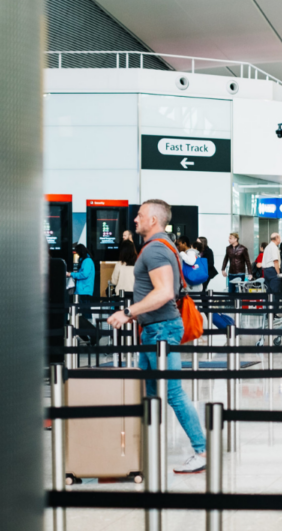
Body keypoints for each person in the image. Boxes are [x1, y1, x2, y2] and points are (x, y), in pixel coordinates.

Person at [107, 199, 207, 474]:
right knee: (149, 391)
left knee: (172, 392)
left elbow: (164, 292)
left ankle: (202, 450)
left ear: (153, 220)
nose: (135, 220)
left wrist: (128, 311)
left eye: (139, 215)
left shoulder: (155, 251)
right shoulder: (160, 247)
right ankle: (144, 449)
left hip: (161, 329)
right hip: (153, 329)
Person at [262, 233, 282, 297]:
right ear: (276, 238)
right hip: (272, 271)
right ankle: (275, 307)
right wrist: (278, 273)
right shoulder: (274, 247)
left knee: (269, 292)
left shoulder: (267, 247)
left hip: (266, 271)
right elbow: (275, 261)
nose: (280, 239)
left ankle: (269, 306)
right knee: (275, 292)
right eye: (279, 237)